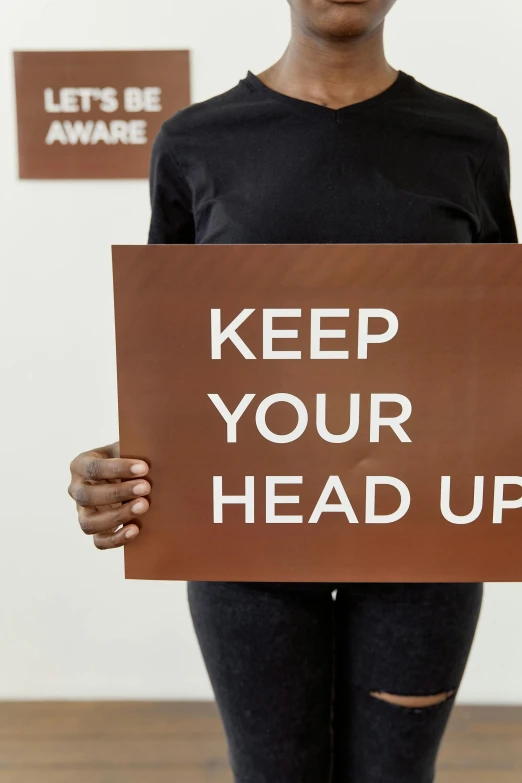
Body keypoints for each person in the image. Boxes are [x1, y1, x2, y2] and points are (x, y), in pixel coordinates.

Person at [68, 1, 518, 780]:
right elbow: (178, 363)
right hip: (249, 539)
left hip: (422, 542)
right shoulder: (195, 142)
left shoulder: (470, 142)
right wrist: (124, 466)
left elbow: (494, 350)